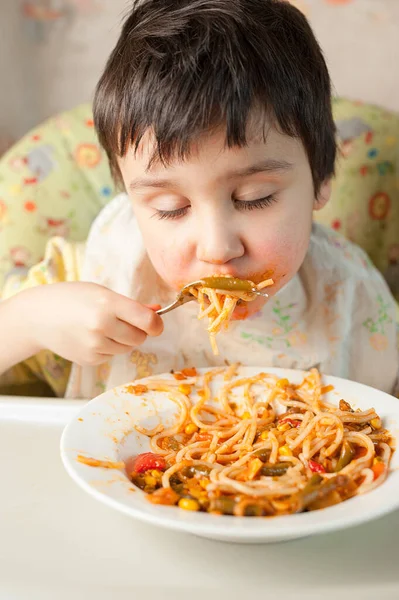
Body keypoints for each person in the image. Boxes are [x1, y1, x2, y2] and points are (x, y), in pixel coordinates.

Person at [0, 0, 397, 399]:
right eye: (171, 208)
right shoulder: (89, 280)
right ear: (131, 200)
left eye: (254, 198)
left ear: (321, 179)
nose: (217, 247)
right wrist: (28, 321)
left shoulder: (347, 294)